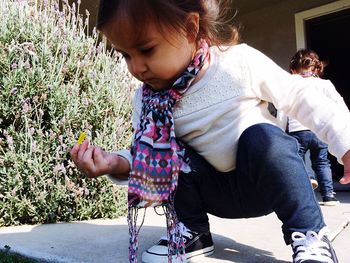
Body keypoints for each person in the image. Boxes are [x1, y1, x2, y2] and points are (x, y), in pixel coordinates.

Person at [70, 1, 350, 262]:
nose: (136, 68)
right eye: (125, 55)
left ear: (190, 28)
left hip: (264, 186)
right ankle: (192, 232)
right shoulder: (145, 100)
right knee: (170, 151)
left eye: (146, 50)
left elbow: (300, 97)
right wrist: (113, 163)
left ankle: (311, 235)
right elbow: (145, 155)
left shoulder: (237, 63)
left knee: (264, 137)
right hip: (210, 194)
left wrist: (346, 145)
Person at [286, 49, 348, 206]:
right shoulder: (325, 84)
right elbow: (339, 105)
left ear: (293, 70)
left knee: (296, 158)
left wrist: (281, 129)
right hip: (321, 131)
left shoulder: (292, 85)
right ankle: (329, 195)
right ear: (316, 68)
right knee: (322, 162)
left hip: (298, 130)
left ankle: (307, 179)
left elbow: (283, 110)